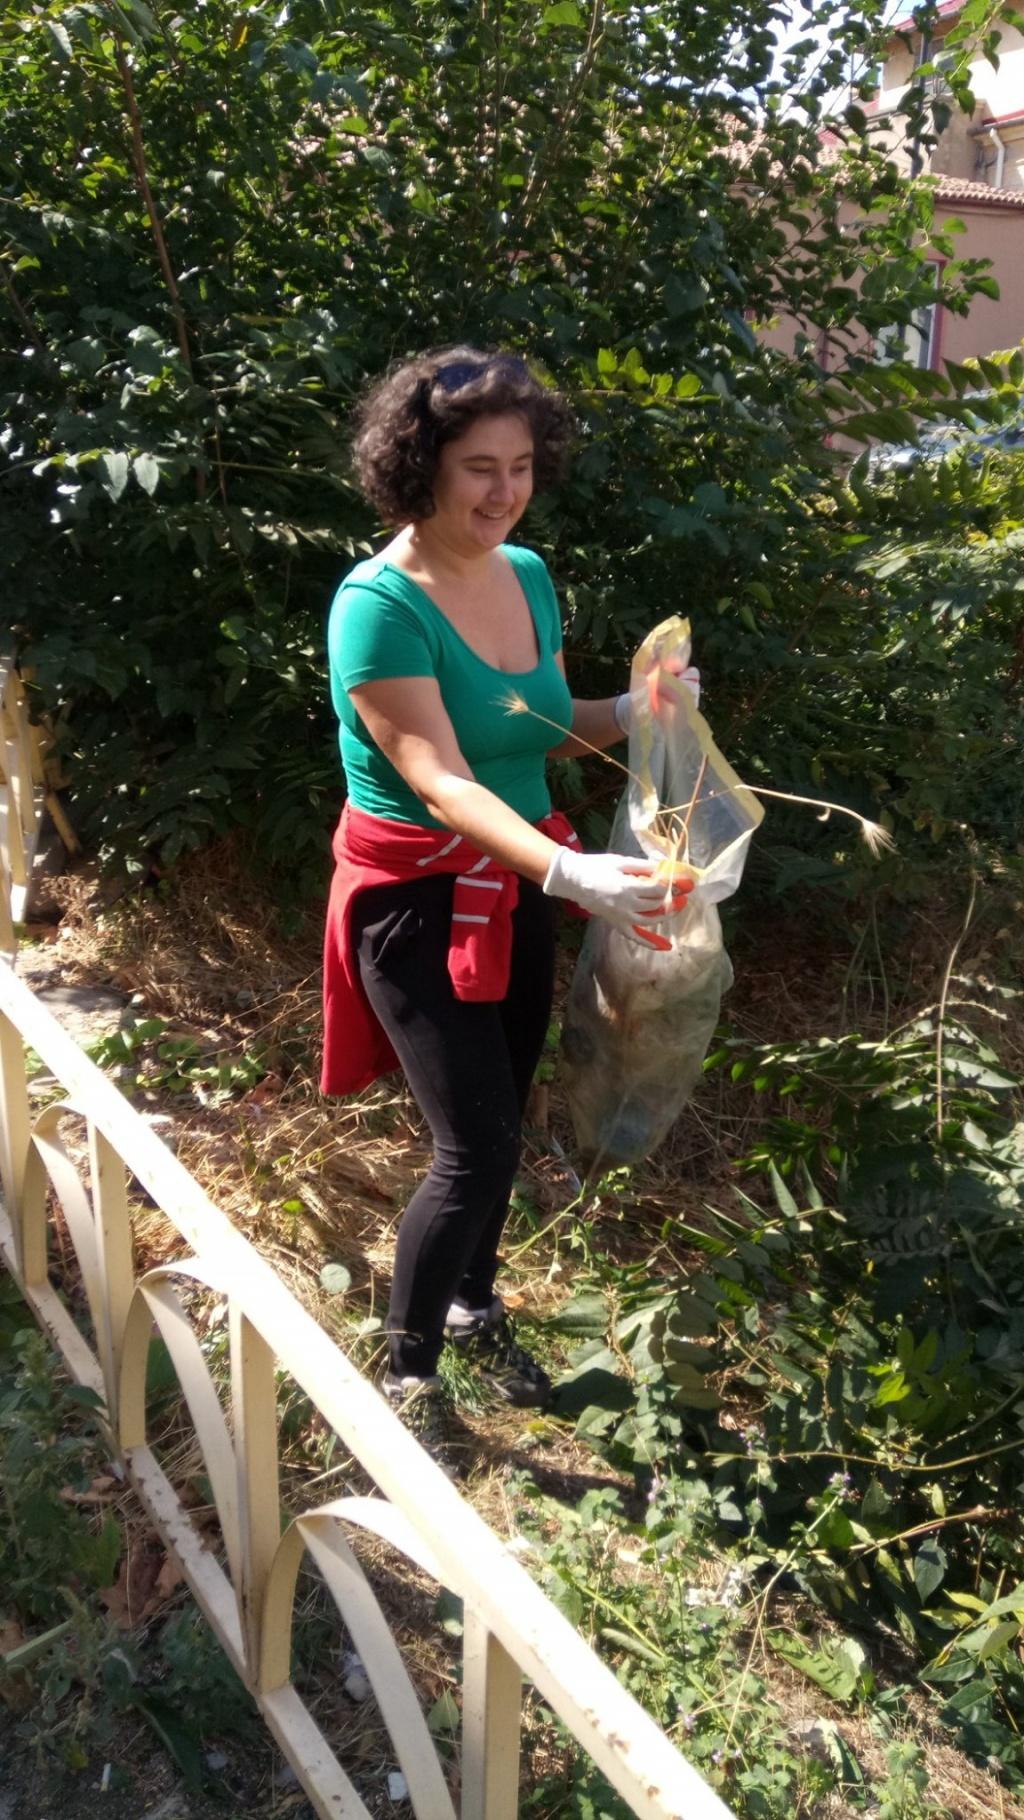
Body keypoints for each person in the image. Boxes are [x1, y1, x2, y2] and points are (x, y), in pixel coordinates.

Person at [321, 347, 695, 1466]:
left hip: (519, 885)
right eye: (478, 467)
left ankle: (474, 1309)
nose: (503, 492)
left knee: (506, 1114)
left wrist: (633, 709)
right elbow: (440, 776)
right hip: (417, 902)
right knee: (473, 1147)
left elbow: (539, 724)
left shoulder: (525, 574)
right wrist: (570, 873)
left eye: (521, 466)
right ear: (418, 466)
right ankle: (406, 1376)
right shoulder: (377, 606)